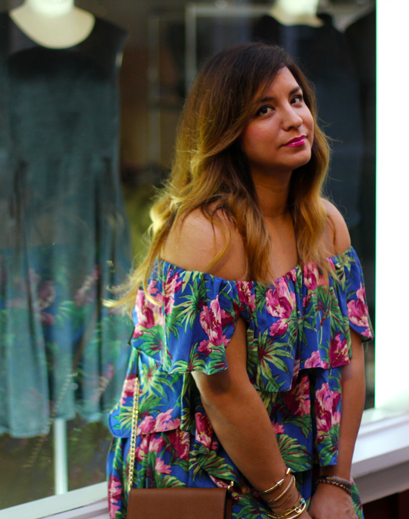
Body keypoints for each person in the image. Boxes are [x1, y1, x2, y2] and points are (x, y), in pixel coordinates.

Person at [106, 43, 373, 519]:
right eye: (264, 110)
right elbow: (223, 391)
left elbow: (351, 359)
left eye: (296, 99)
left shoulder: (326, 225)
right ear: (227, 132)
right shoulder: (205, 234)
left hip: (302, 464)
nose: (294, 119)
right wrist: (290, 509)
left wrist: (337, 480)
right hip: (202, 478)